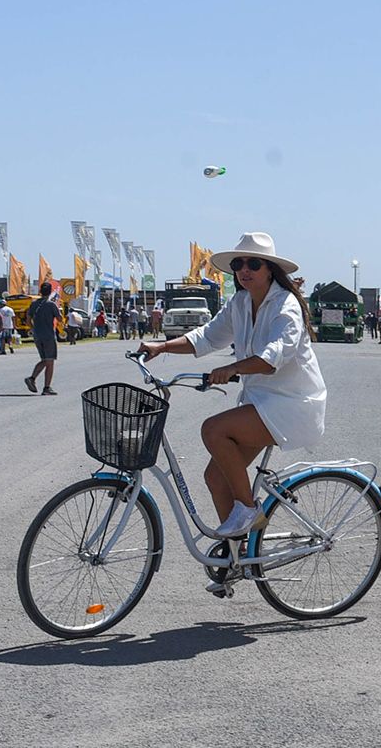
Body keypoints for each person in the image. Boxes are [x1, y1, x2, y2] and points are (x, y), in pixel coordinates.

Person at [137, 232, 326, 570]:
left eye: (254, 263)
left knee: (213, 430)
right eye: (238, 264)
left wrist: (232, 367)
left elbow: (273, 358)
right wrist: (162, 347)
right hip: (260, 402)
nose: (244, 270)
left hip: (292, 404)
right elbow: (206, 337)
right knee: (215, 476)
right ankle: (236, 556)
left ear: (270, 269)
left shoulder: (286, 306)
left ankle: (250, 512)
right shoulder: (239, 303)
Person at [24, 284, 61, 395]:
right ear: (50, 292)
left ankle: (33, 379)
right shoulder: (51, 305)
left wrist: (34, 329)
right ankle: (45, 386)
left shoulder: (34, 304)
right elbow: (59, 318)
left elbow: (28, 320)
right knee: (50, 361)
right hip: (48, 335)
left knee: (45, 359)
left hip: (37, 335)